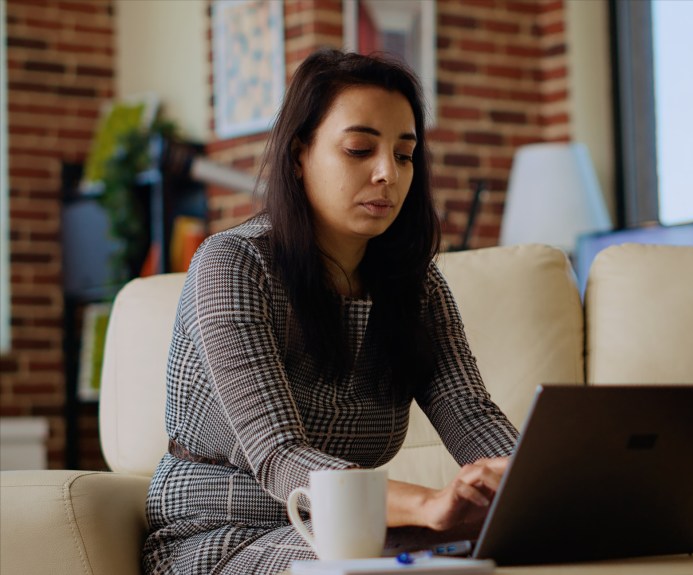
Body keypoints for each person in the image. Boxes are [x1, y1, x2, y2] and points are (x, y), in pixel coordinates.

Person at [142, 48, 519, 575]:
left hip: (354, 532)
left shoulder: (418, 287)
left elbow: (471, 416)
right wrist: (428, 505)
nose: (388, 173)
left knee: (514, 543)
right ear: (299, 155)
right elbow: (279, 455)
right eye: (360, 149)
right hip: (219, 537)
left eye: (405, 154)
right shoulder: (232, 264)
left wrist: (538, 490)